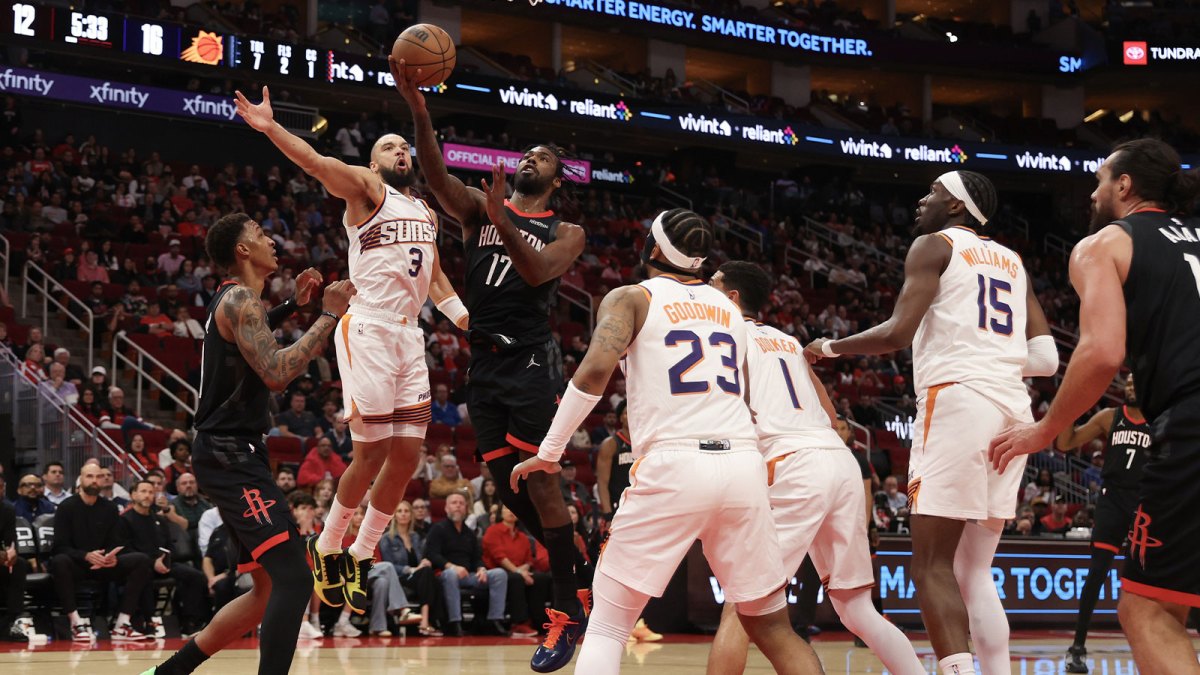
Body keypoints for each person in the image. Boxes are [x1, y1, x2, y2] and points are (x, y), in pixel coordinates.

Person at [512, 209, 822, 675]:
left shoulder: (631, 297)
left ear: (654, 249)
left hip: (675, 462)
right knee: (774, 628)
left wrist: (549, 451)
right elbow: (746, 394)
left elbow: (594, 371)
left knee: (609, 626)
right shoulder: (731, 312)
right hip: (741, 464)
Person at [806, 171, 1058, 675]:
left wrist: (830, 347)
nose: (923, 201)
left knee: (931, 565)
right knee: (974, 570)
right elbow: (1047, 359)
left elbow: (899, 333)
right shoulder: (1013, 261)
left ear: (958, 206)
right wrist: (993, 356)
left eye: (934, 194)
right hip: (1013, 408)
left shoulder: (934, 244)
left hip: (960, 403)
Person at [236, 85, 468, 616]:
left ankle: (361, 554)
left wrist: (465, 321)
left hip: (410, 334)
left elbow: (435, 276)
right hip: (368, 326)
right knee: (372, 454)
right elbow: (317, 162)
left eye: (403, 148)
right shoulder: (366, 190)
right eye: (390, 147)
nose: (401, 153)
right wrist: (271, 127)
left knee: (408, 456)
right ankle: (328, 545)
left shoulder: (426, 212)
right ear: (373, 161)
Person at [394, 58, 591, 670]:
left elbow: (535, 272)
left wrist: (505, 217)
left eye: (542, 157)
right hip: (484, 363)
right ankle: (580, 558)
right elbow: (433, 173)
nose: (530, 159)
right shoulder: (479, 207)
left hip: (532, 361)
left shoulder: (567, 230)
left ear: (557, 179)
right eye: (526, 154)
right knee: (507, 487)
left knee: (539, 479)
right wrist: (421, 112)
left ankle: (566, 609)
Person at [989, 138, 1200, 675]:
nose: (1092, 189)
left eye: (1101, 178)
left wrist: (1046, 429)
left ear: (1124, 185)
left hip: (1190, 422)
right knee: (1171, 599)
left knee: (1147, 608)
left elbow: (1103, 351)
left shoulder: (1105, 243)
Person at [142, 211, 355, 675]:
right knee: (296, 578)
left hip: (232, 452)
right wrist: (328, 315)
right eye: (260, 234)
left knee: (264, 594)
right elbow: (277, 372)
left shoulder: (239, 301)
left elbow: (251, 340)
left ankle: (170, 672)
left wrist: (293, 308)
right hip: (230, 454)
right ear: (242, 250)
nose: (272, 240)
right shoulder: (239, 297)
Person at [707, 261, 924, 675]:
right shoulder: (788, 340)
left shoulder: (723, 336)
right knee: (856, 607)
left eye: (712, 285)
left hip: (792, 461)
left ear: (731, 298)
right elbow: (831, 417)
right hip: (835, 458)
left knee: (741, 604)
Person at [1054, 373, 1150, 672]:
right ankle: (1078, 646)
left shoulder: (1160, 420)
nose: (1132, 386)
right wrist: (1068, 408)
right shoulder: (1110, 417)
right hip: (1113, 500)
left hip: (1145, 504)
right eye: (1129, 382)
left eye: (1138, 382)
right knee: (1096, 573)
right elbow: (1066, 442)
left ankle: (1151, 644)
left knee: (1145, 581)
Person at [50, 463, 155, 641]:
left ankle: (122, 624)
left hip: (104, 565)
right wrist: (85, 555)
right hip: (78, 565)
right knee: (59, 561)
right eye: (89, 476)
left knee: (141, 560)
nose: (95, 481)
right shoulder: (66, 507)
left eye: (98, 477)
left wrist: (112, 557)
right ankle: (76, 623)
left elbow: (116, 542)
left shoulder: (110, 508)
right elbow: (59, 546)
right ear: (81, 479)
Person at [121, 480, 210, 635]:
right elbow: (126, 549)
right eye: (143, 491)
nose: (147, 495)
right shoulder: (125, 520)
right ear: (133, 495)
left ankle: (190, 622)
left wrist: (164, 560)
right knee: (143, 575)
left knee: (195, 576)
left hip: (163, 564)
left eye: (150, 492)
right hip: (139, 566)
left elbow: (169, 546)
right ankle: (146, 622)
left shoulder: (160, 520)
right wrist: (152, 562)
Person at [425, 490, 509, 636]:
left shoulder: (469, 533)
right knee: (451, 574)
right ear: (446, 508)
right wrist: (452, 566)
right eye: (454, 503)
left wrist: (481, 569)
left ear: (466, 508)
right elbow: (432, 554)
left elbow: (477, 557)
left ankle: (494, 620)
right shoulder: (438, 529)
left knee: (499, 574)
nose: (458, 506)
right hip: (445, 574)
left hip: (468, 575)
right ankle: (455, 622)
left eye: (461, 503)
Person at [483, 504, 553, 638]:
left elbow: (529, 560)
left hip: (521, 572)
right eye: (506, 508)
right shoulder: (493, 531)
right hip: (500, 572)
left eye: (513, 508)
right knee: (515, 579)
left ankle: (537, 620)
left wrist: (523, 571)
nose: (511, 511)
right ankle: (518, 623)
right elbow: (500, 558)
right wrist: (519, 572)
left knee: (541, 578)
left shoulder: (522, 536)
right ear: (500, 513)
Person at [379, 500, 442, 637]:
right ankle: (426, 622)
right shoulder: (387, 539)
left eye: (406, 511)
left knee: (430, 573)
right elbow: (388, 566)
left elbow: (420, 561)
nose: (403, 514)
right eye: (400, 511)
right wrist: (411, 569)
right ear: (394, 515)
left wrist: (424, 562)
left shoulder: (415, 537)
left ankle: (428, 621)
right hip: (399, 578)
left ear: (411, 515)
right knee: (426, 574)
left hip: (418, 577)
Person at [0, 493, 29, 642]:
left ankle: (13, 621)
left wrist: (12, 553)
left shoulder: (7, 509)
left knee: (20, 564)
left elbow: (10, 540)